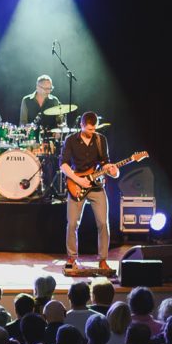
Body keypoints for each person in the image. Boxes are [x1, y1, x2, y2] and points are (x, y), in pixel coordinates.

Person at [60, 112, 118, 273]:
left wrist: (111, 170)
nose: (92, 132)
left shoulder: (101, 139)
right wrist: (78, 180)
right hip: (76, 183)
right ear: (81, 125)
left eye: (94, 129)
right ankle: (72, 257)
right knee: (72, 223)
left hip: (96, 187)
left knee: (103, 223)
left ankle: (103, 260)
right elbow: (63, 165)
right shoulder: (71, 140)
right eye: (89, 129)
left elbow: (105, 162)